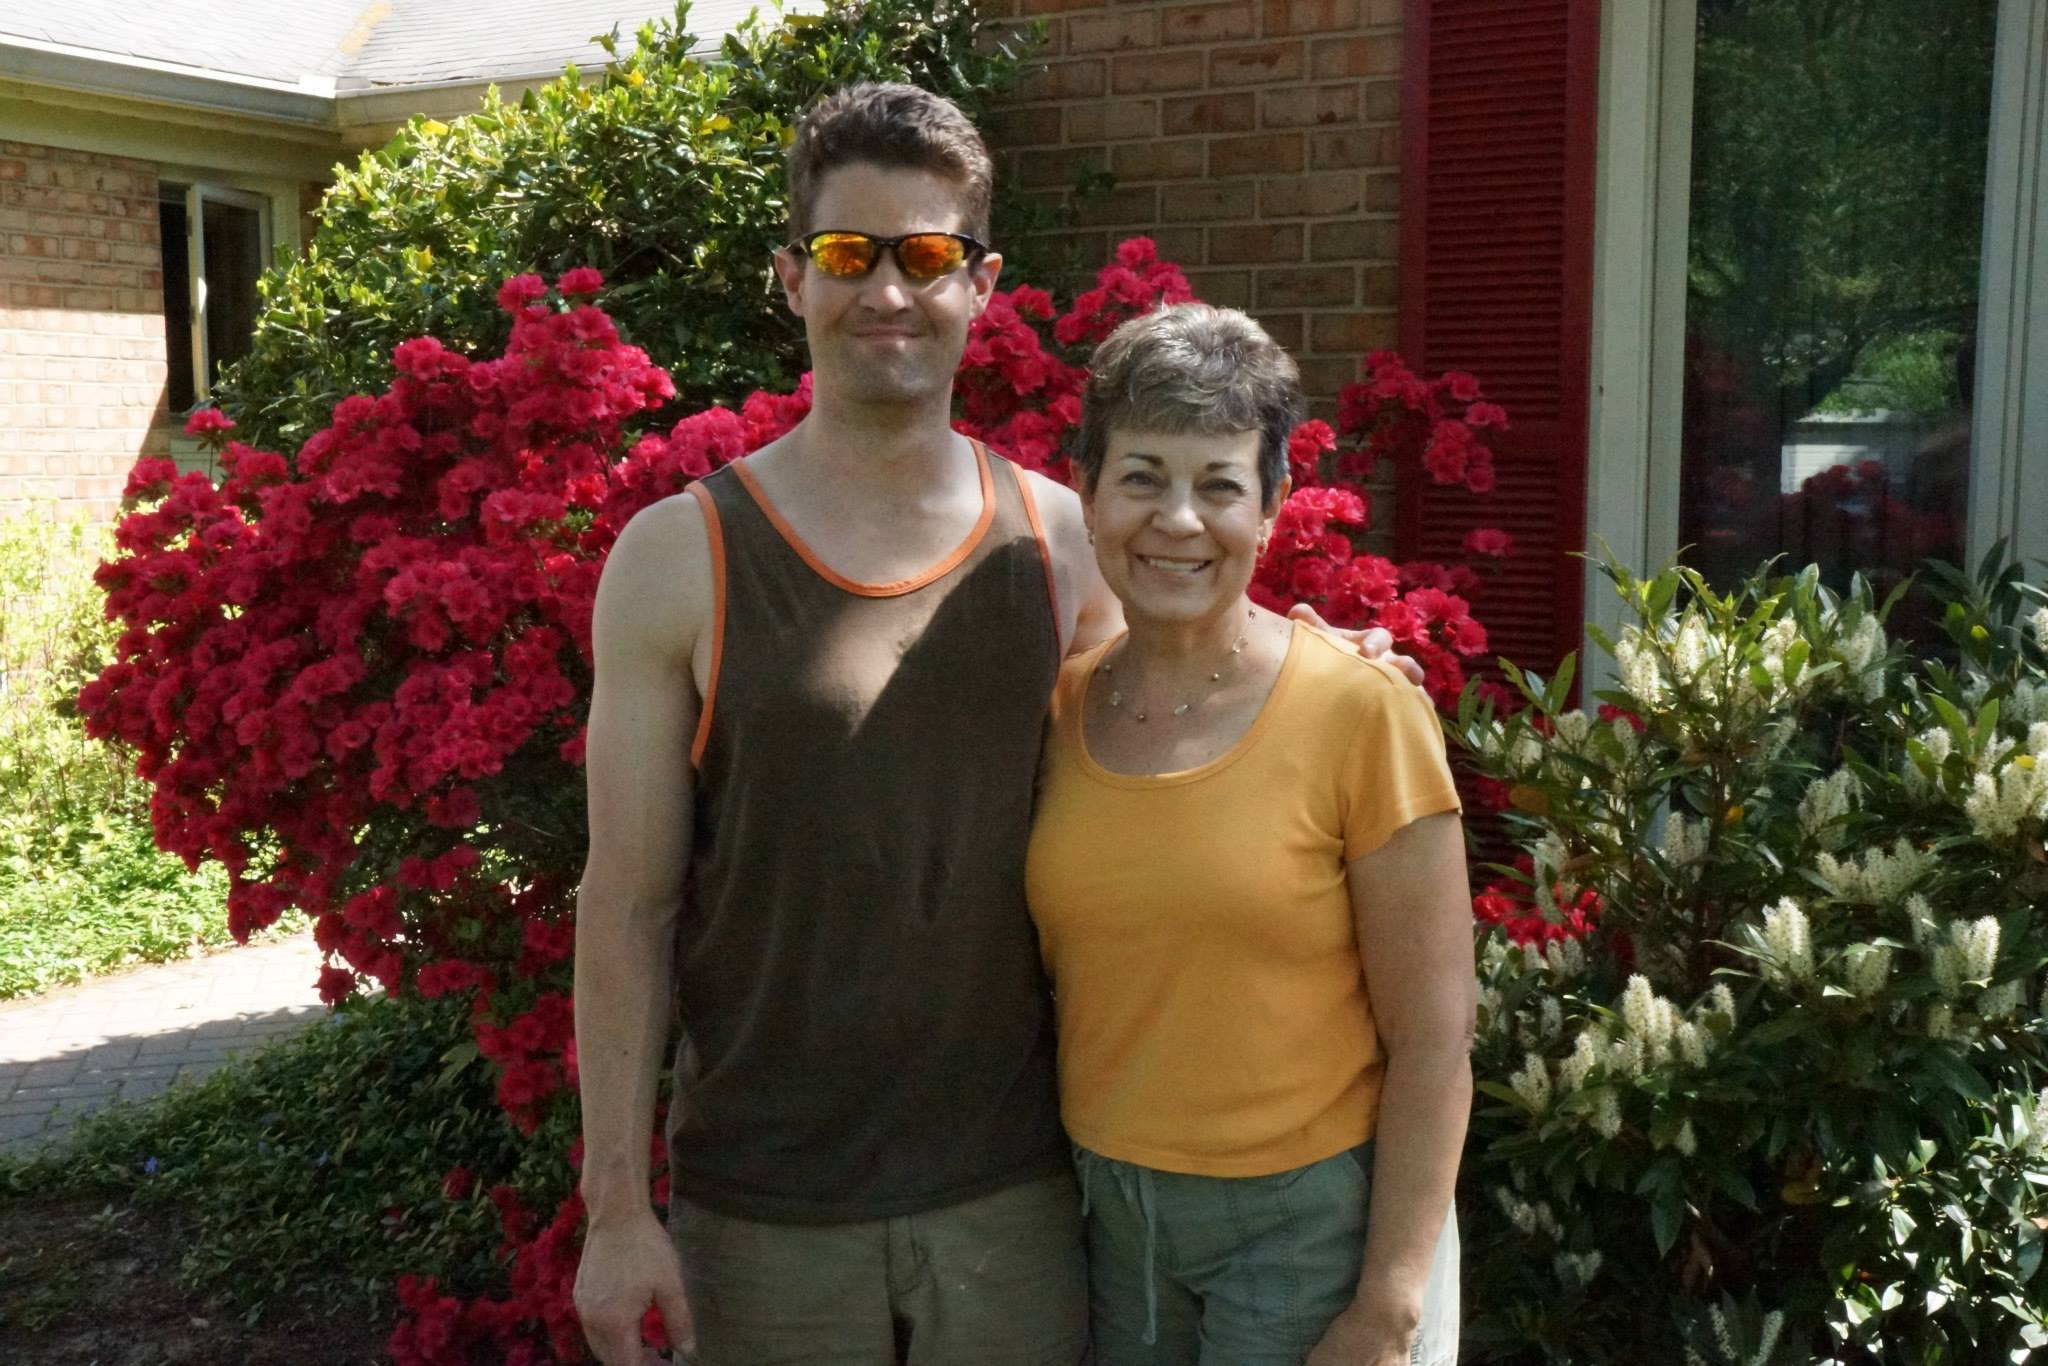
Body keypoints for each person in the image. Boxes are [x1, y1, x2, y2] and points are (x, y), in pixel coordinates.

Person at [571, 82, 1421, 1366]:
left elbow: (1176, 695)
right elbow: (624, 907)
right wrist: (614, 1209)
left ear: (981, 282)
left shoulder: (1061, 539)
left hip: (1015, 1195)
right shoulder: (676, 559)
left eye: (926, 256)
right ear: (792, 277)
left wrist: (1333, 661)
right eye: (849, 256)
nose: (887, 293)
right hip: (765, 1208)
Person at [1026, 303, 1473, 1366]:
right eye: (1140, 475)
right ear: (1085, 491)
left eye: (1218, 483)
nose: (1176, 519)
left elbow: (1433, 1040)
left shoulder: (1360, 712)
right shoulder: (1054, 712)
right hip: (1105, 1214)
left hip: (1303, 1223)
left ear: (1270, 505)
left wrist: (1389, 1306)